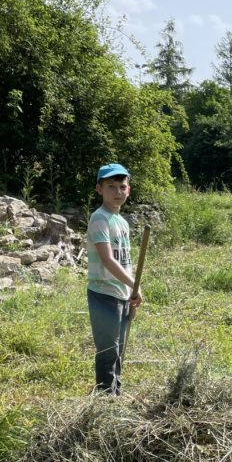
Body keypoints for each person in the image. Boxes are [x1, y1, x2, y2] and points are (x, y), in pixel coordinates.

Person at [86, 162, 142, 394]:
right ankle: (105, 402)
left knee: (118, 350)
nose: (117, 192)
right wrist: (135, 286)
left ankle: (115, 394)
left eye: (122, 186)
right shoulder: (100, 218)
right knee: (108, 351)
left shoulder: (122, 222)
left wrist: (131, 293)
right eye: (111, 186)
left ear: (128, 190)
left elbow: (125, 262)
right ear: (100, 189)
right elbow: (108, 260)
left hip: (121, 294)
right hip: (103, 294)